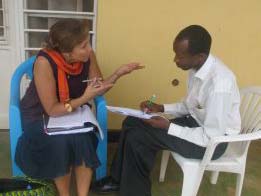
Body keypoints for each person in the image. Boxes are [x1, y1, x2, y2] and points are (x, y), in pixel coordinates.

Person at [94, 25, 241, 196]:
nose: (175, 60)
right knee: (132, 121)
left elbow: (210, 136)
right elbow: (189, 106)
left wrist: (168, 126)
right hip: (196, 125)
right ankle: (117, 179)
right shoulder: (197, 68)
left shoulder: (219, 84)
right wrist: (160, 108)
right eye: (175, 54)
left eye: (180, 56)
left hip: (212, 143)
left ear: (199, 56)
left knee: (138, 138)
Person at [15, 18, 143, 196]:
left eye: (88, 43)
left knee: (83, 138)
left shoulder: (87, 56)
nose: (89, 49)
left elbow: (97, 89)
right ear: (67, 52)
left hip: (72, 114)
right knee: (61, 143)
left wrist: (117, 74)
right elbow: (52, 109)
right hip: (40, 116)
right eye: (83, 46)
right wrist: (84, 97)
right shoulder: (44, 62)